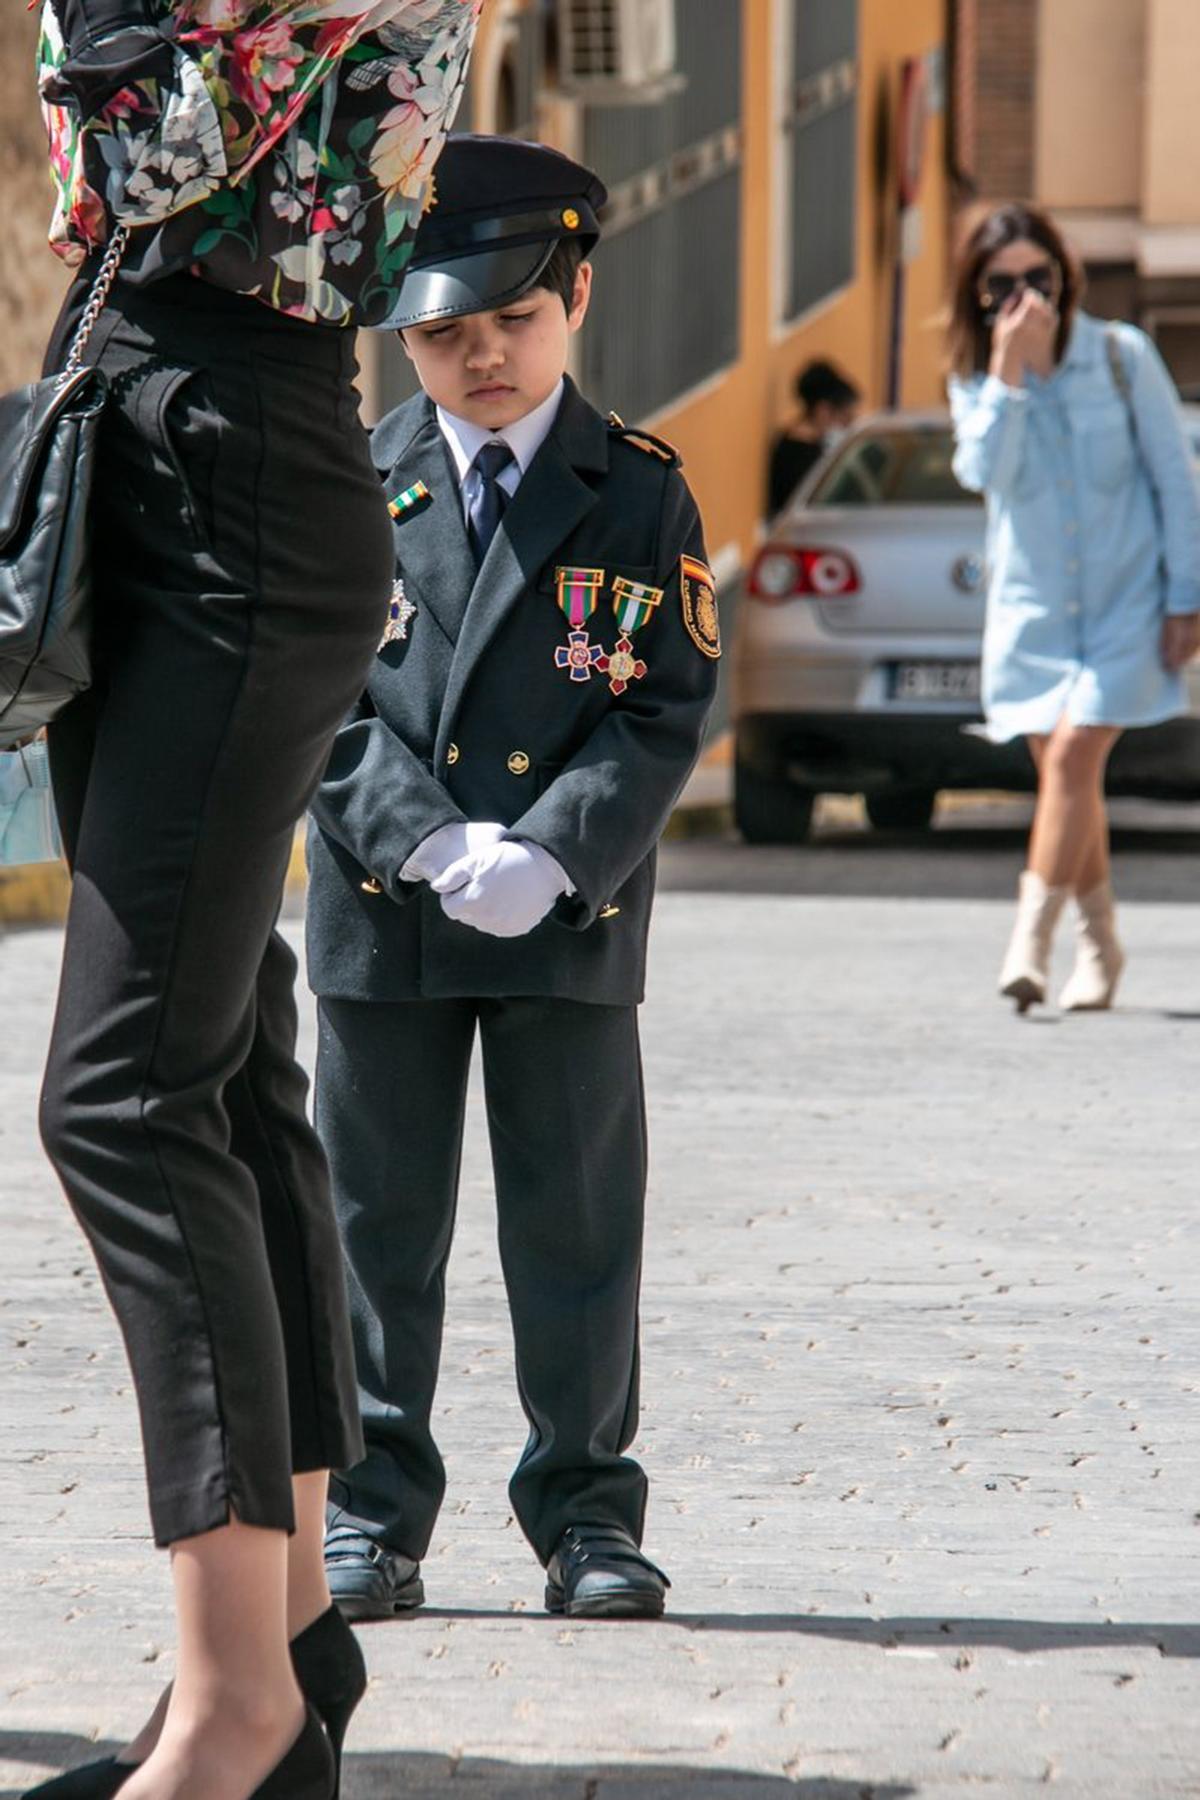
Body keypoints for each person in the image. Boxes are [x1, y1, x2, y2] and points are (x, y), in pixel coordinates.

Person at [26, 3, 480, 1798]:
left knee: (122, 1098)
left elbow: (155, 146)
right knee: (215, 1071)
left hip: (239, 455)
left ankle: (237, 1711)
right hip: (158, 422)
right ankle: (281, 1643)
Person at [305, 134, 720, 1625]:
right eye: (441, 331)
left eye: (514, 321)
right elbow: (306, 693)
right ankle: (365, 1509)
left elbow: (665, 703)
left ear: (580, 296)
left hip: (566, 916)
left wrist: (554, 850)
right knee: (369, 1224)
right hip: (380, 908)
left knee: (577, 1223)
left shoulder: (638, 493)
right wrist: (417, 833)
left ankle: (588, 1512)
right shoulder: (351, 478)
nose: (481, 357)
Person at [947, 204, 1200, 1013]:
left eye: (1039, 277)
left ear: (1064, 277)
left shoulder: (1123, 357)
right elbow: (985, 472)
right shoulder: (976, 378)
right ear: (979, 292)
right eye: (1004, 282)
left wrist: (1188, 598)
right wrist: (1007, 370)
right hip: (1034, 614)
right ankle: (1102, 945)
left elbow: (1175, 478)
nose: (1026, 295)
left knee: (1071, 760)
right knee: (1069, 786)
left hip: (1127, 604)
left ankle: (1031, 943)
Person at [766, 358, 861, 517]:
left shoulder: (798, 443)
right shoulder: (800, 457)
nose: (847, 426)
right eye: (845, 417)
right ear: (823, 411)